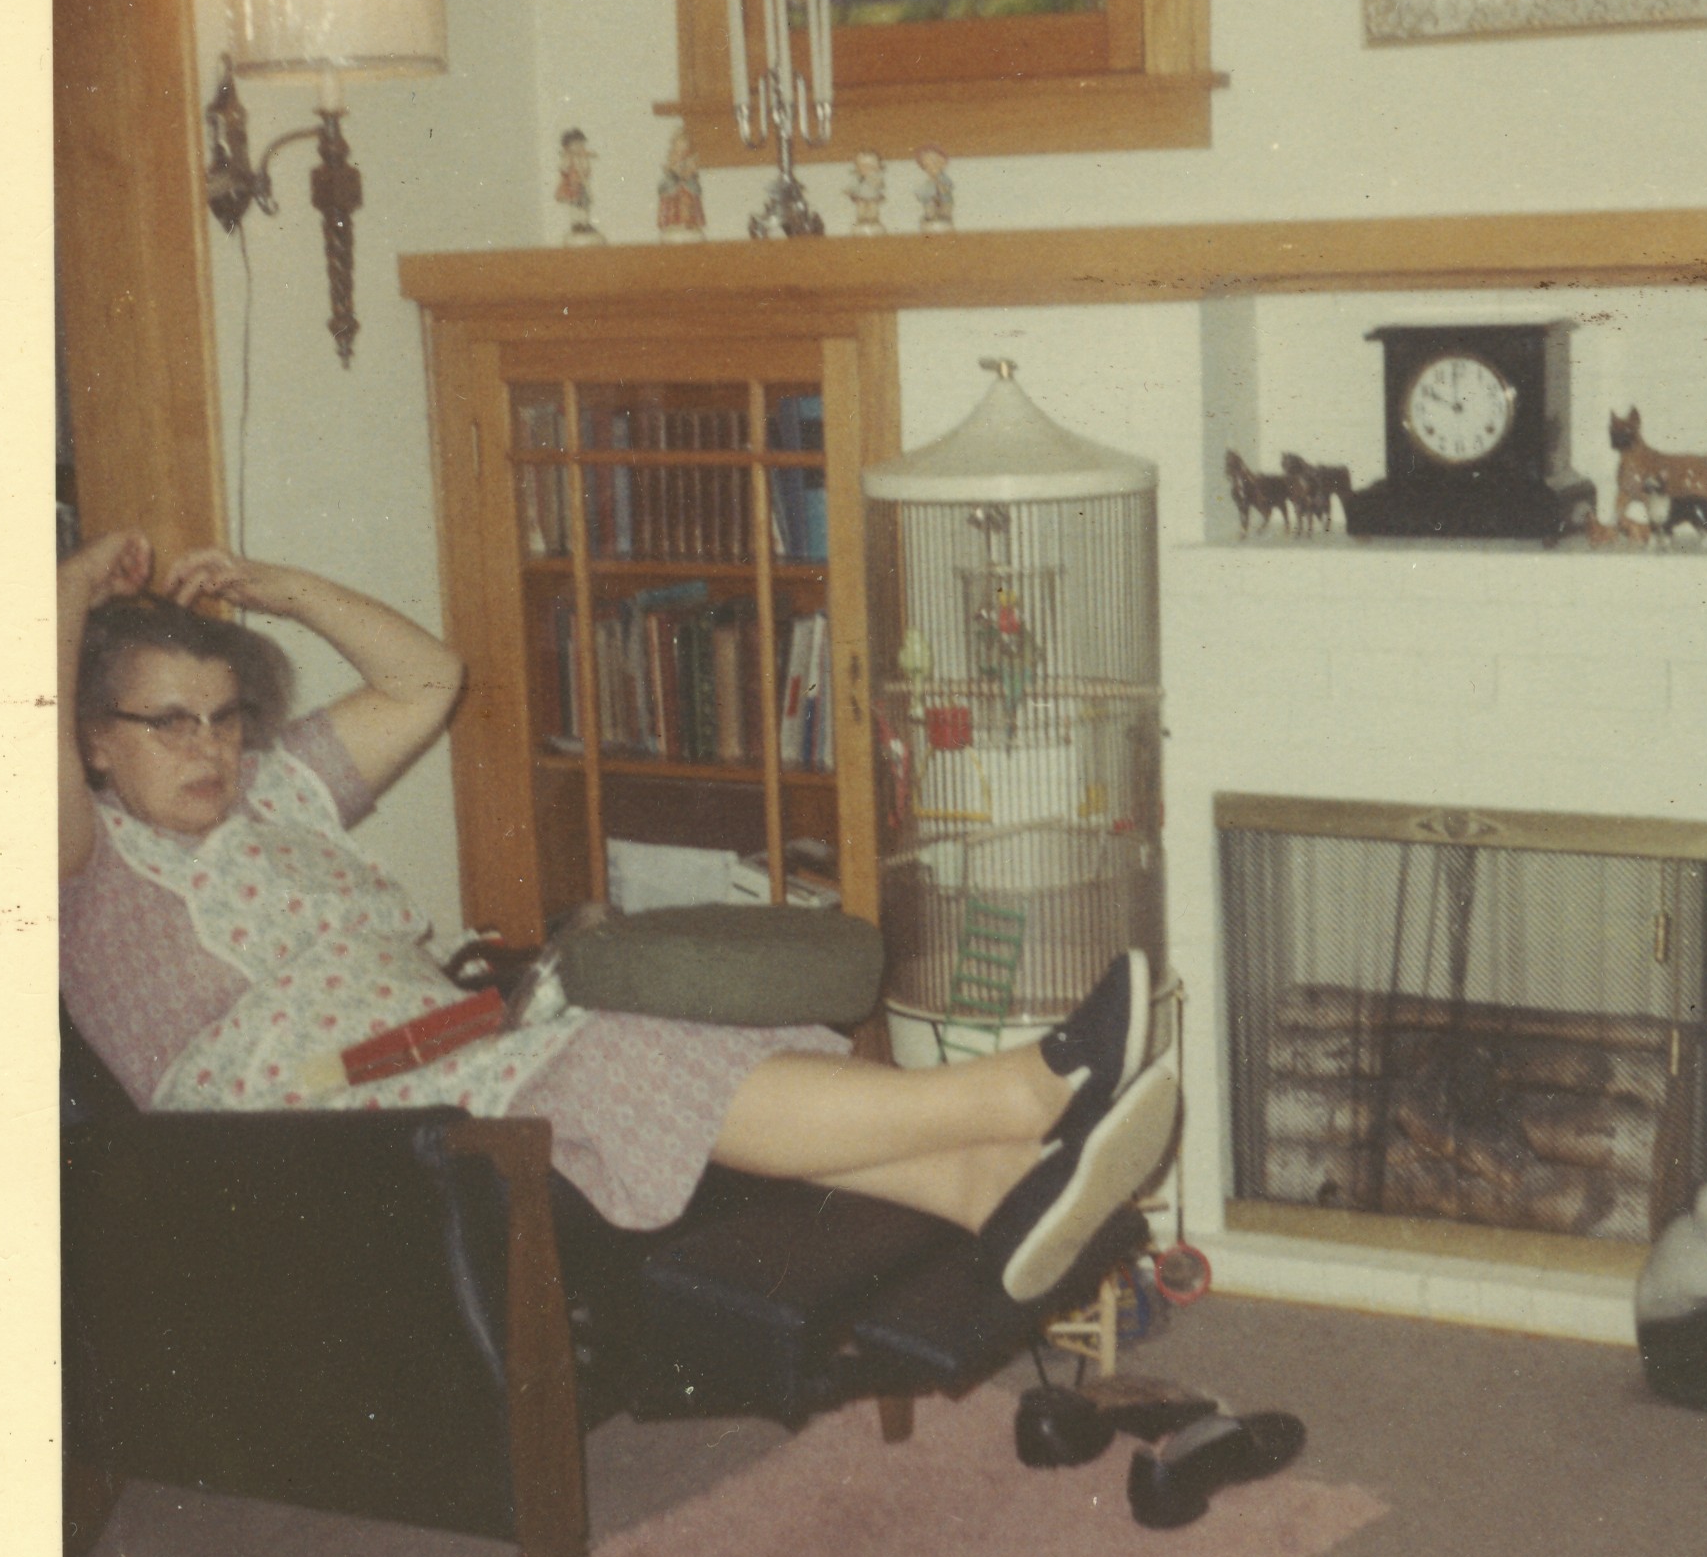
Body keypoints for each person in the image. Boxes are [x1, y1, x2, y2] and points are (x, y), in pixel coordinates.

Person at [57, 531, 1175, 1303]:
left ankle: (981, 1186)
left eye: (223, 717)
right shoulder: (81, 867)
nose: (208, 747)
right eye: (168, 722)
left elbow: (426, 678)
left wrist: (279, 588)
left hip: (432, 1054)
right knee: (613, 1055)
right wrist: (69, 590)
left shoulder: (278, 790)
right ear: (93, 738)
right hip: (291, 1137)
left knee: (673, 1021)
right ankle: (1017, 1093)